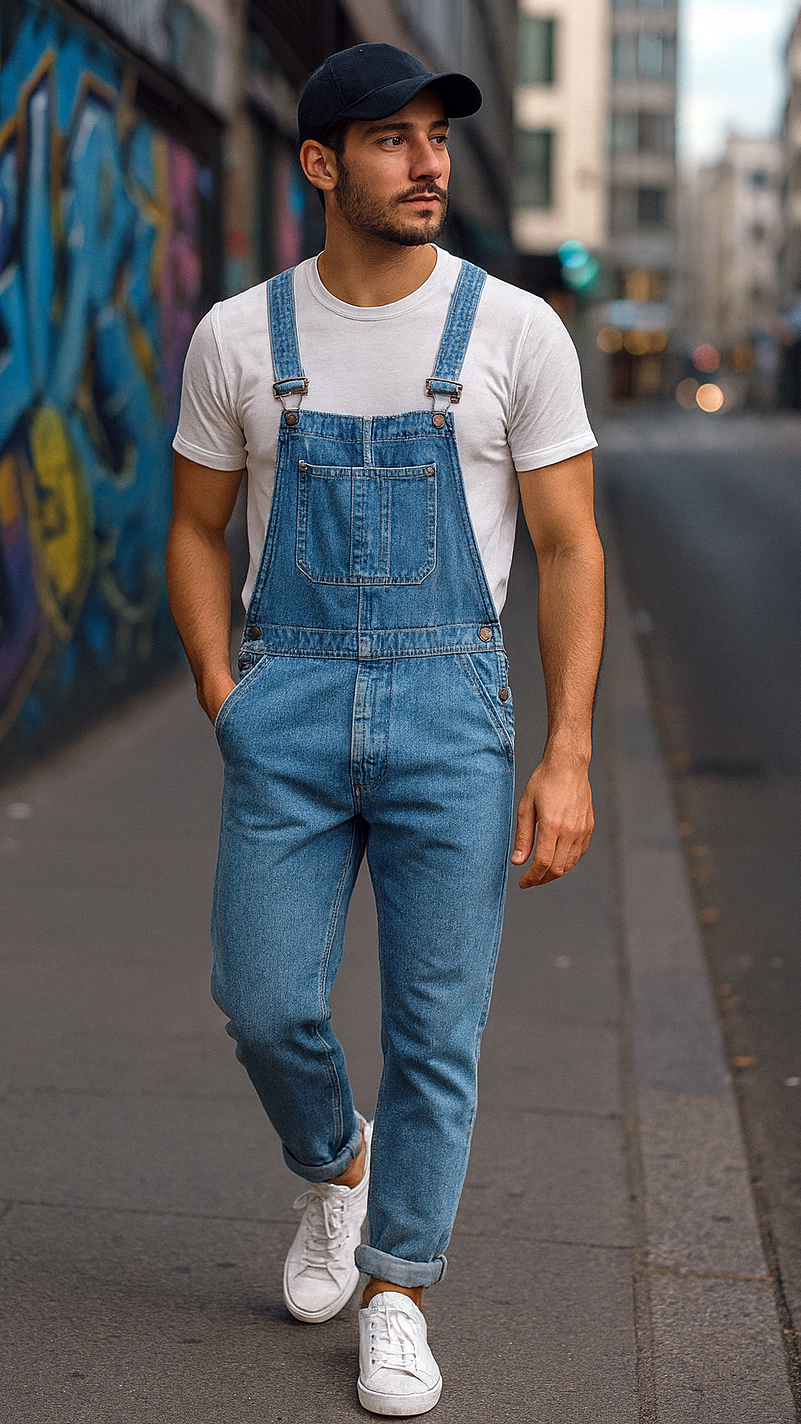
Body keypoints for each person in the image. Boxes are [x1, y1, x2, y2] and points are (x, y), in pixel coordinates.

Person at [167, 42, 604, 1417]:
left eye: (438, 138)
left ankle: (398, 1292)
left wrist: (568, 752)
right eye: (391, 139)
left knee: (435, 1030)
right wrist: (223, 692)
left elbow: (570, 547)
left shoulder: (515, 332)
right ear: (319, 163)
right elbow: (192, 529)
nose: (427, 164)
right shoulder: (240, 337)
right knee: (262, 1000)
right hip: (286, 706)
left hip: (450, 712)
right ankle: (335, 1169)